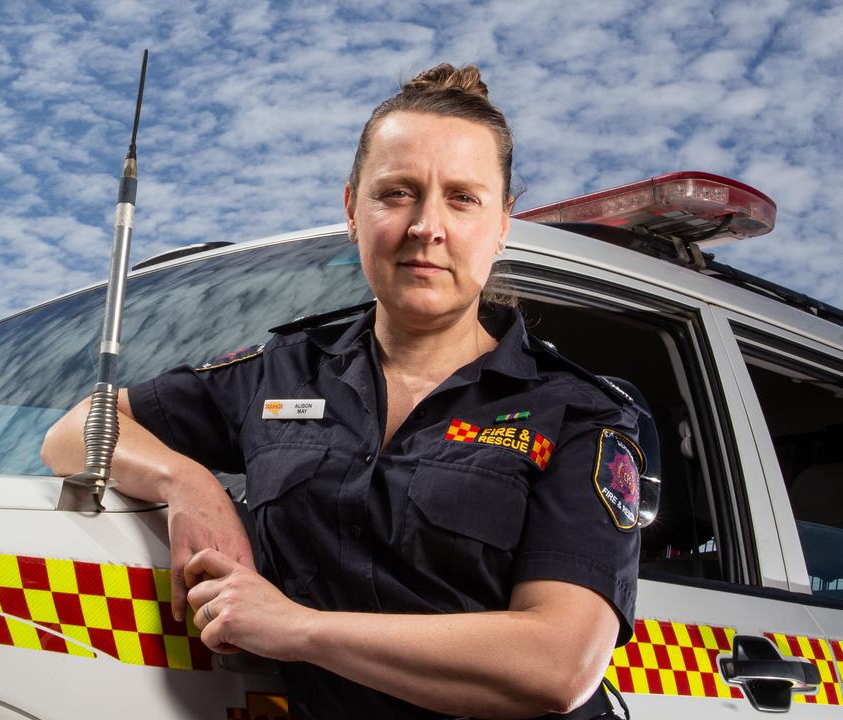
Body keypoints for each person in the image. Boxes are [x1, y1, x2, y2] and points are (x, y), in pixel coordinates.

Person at [41, 63, 645, 719]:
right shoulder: (282, 373)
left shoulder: (579, 411)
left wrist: (296, 628)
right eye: (397, 193)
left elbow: (558, 665)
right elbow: (77, 429)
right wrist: (187, 482)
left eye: (463, 198)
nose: (426, 226)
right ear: (352, 208)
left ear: (503, 223)